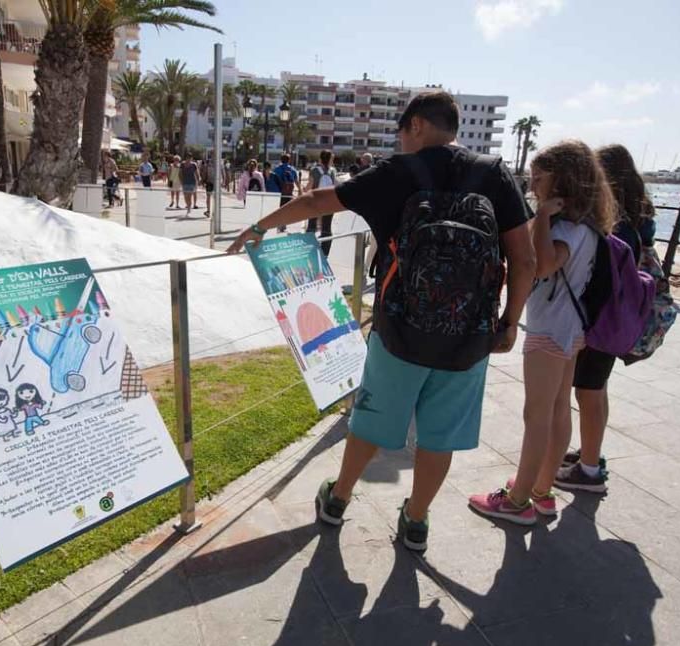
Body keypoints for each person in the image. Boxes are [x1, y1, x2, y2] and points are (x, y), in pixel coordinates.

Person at [227, 91, 535, 552]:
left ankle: (337, 500)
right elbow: (524, 258)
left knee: (371, 420)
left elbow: (316, 202)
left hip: (400, 330)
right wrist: (509, 323)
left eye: (400, 131)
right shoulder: (493, 174)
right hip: (469, 336)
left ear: (415, 125)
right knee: (439, 433)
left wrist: (259, 227)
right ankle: (415, 521)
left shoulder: (398, 172)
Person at [469, 140, 615, 525]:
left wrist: (546, 219)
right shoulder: (587, 223)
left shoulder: (566, 226)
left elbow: (544, 265)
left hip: (550, 330)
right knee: (555, 410)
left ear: (561, 179)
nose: (533, 185)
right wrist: (540, 217)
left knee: (537, 415)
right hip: (572, 327)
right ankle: (541, 490)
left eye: (539, 178)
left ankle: (518, 501)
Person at [556, 144, 657, 493]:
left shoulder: (618, 225)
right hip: (616, 318)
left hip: (601, 320)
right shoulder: (638, 220)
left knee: (589, 390)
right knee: (596, 390)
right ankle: (590, 452)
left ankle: (588, 469)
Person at [307, 150, 339, 255]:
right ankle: (325, 253)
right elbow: (335, 186)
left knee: (311, 226)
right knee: (326, 227)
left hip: (315, 202)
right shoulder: (333, 171)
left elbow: (309, 187)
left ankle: (310, 250)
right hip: (329, 203)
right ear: (330, 160)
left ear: (320, 159)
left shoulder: (314, 170)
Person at [273, 154, 300, 232]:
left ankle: (279, 224)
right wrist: (300, 190)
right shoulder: (292, 169)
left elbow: (273, 180)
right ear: (289, 160)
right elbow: (296, 181)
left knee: (279, 208)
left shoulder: (277, 169)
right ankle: (283, 224)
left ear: (281, 160)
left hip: (279, 192)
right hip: (289, 193)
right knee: (286, 208)